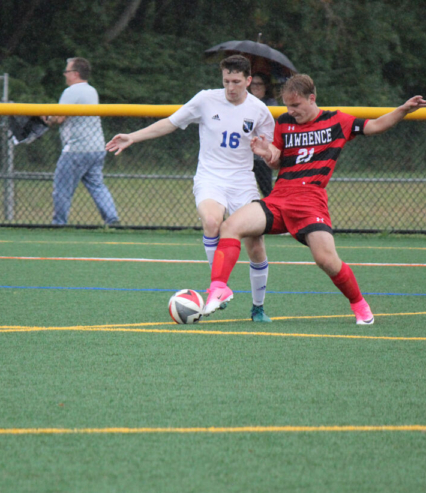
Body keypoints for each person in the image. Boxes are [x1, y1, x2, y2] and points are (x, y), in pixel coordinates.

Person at [202, 73, 426, 325]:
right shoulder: (285, 122)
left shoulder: (337, 121)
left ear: (312, 98)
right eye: (288, 105)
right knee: (230, 226)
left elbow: (375, 125)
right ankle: (219, 287)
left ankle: (359, 304)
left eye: (296, 105)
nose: (291, 110)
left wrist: (403, 110)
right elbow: (277, 161)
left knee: (326, 260)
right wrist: (267, 153)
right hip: (279, 199)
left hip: (310, 202)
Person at [106, 55, 275, 322]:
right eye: (226, 81)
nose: (230, 87)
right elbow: (170, 123)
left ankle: (258, 308)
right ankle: (217, 289)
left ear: (248, 81)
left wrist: (267, 153)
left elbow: (273, 154)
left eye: (236, 81)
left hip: (242, 182)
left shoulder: (260, 111)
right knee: (211, 220)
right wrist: (133, 137)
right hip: (210, 177)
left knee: (255, 244)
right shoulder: (206, 99)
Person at [44, 57, 119, 226]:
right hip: (97, 147)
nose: (65, 74)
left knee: (62, 189)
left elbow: (60, 118)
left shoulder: (71, 91)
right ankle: (112, 219)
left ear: (75, 73)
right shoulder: (91, 90)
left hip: (76, 149)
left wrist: (46, 117)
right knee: (97, 186)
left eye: (67, 71)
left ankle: (58, 223)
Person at [249, 72, 278, 197]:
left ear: (266, 86)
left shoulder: (271, 104)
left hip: (261, 156)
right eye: (253, 83)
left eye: (259, 83)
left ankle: (271, 215)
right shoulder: (245, 102)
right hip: (245, 155)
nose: (255, 86)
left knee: (266, 190)